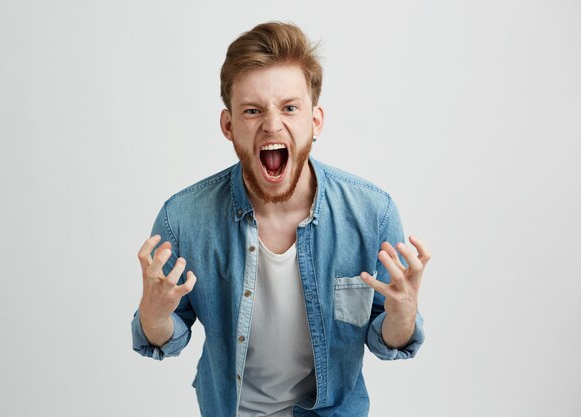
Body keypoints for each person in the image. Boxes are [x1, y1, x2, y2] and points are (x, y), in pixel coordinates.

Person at [132, 21, 431, 417]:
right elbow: (167, 338)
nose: (273, 125)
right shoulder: (182, 219)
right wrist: (153, 315)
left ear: (315, 120)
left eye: (290, 107)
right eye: (253, 111)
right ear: (228, 125)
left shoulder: (372, 214)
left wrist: (403, 315)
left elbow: (388, 340)